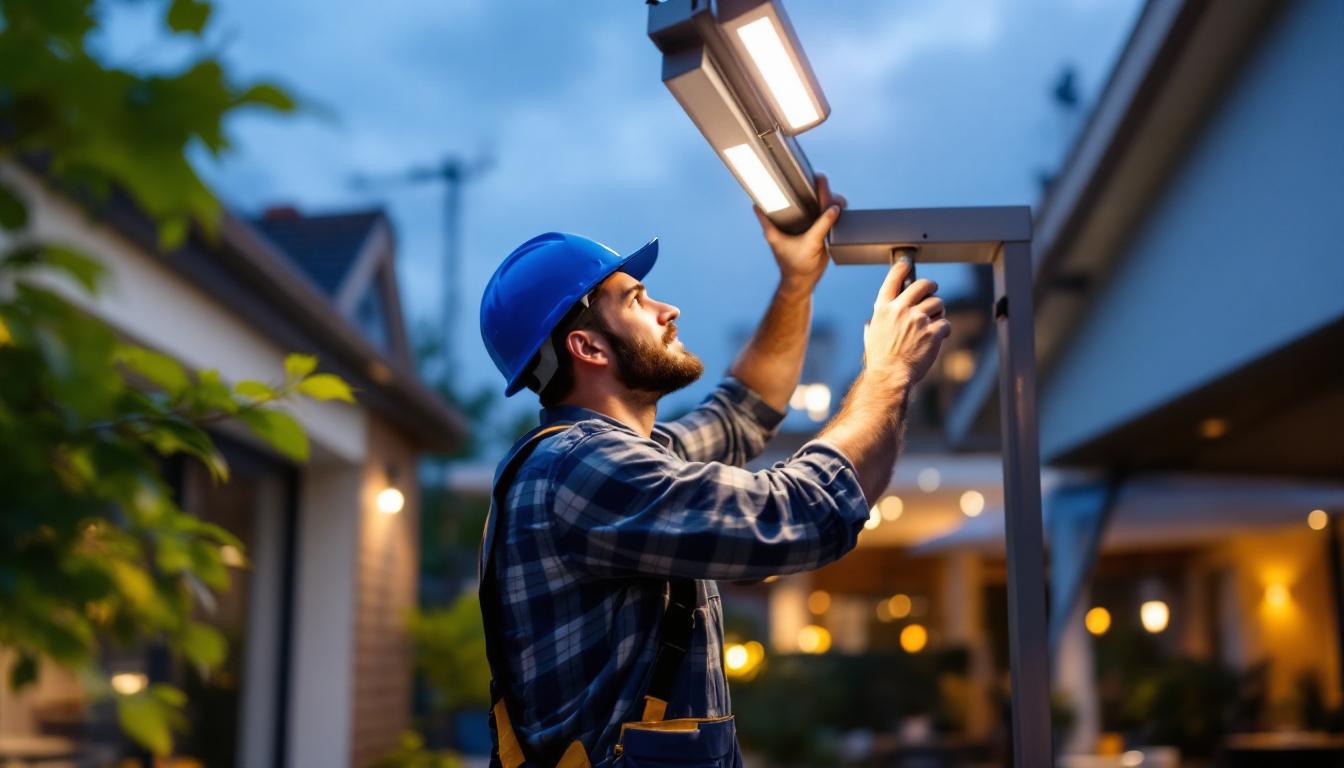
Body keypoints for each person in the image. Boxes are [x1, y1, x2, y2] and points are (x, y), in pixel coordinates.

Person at [478, 176, 950, 767]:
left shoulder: (620, 460)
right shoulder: (579, 469)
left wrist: (797, 283)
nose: (667, 309)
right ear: (589, 348)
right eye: (635, 299)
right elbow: (799, 515)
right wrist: (887, 373)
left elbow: (742, 412)